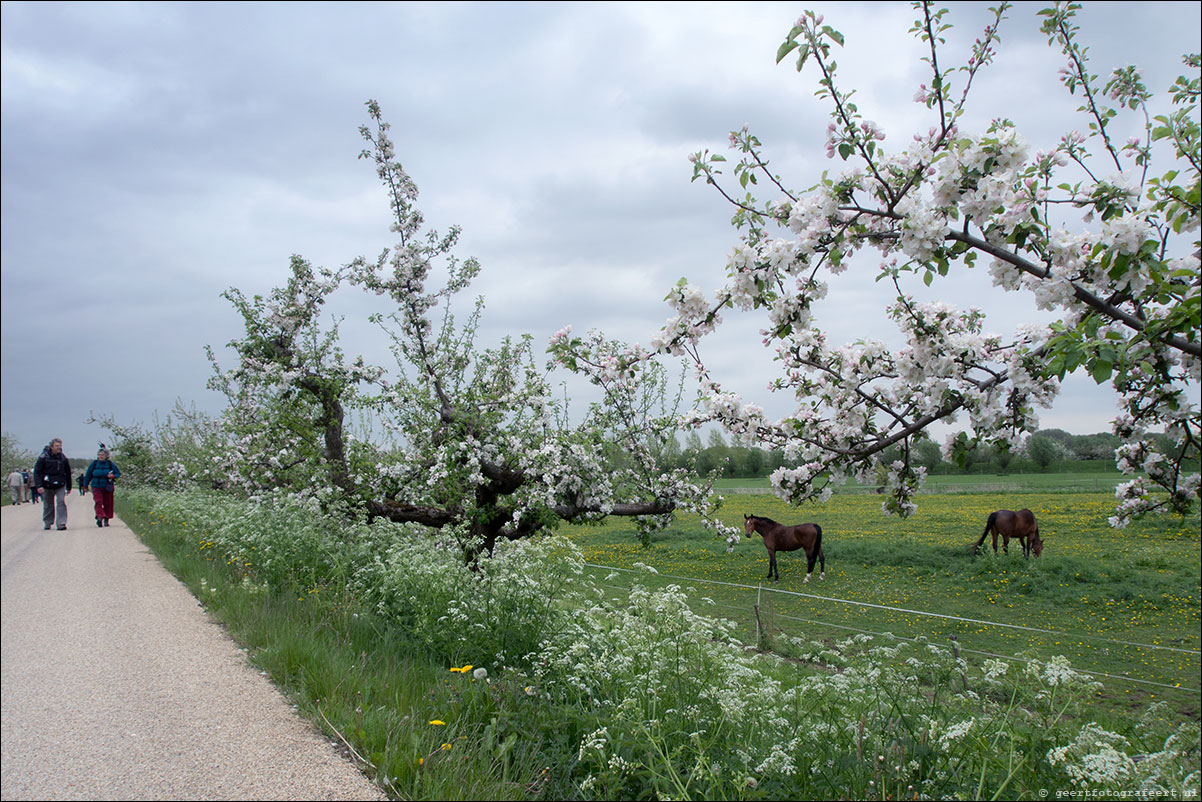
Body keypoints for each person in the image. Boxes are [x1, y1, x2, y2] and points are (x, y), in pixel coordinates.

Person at [33, 438, 72, 530]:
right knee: (48, 504)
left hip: (60, 484)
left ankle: (61, 523)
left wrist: (69, 487)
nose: (59, 447)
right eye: (57, 446)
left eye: (60, 446)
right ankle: (47, 522)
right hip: (47, 484)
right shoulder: (43, 457)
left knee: (61, 502)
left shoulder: (63, 458)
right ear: (51, 447)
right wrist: (39, 485)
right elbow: (37, 472)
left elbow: (68, 472)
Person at [83, 447, 121, 527]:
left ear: (106, 456)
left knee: (108, 503)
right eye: (99, 455)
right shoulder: (94, 464)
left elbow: (118, 473)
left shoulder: (110, 464)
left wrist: (113, 476)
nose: (100, 456)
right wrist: (85, 485)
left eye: (102, 455)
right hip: (96, 486)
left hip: (108, 486)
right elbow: (88, 475)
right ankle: (100, 517)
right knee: (98, 502)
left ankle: (106, 518)